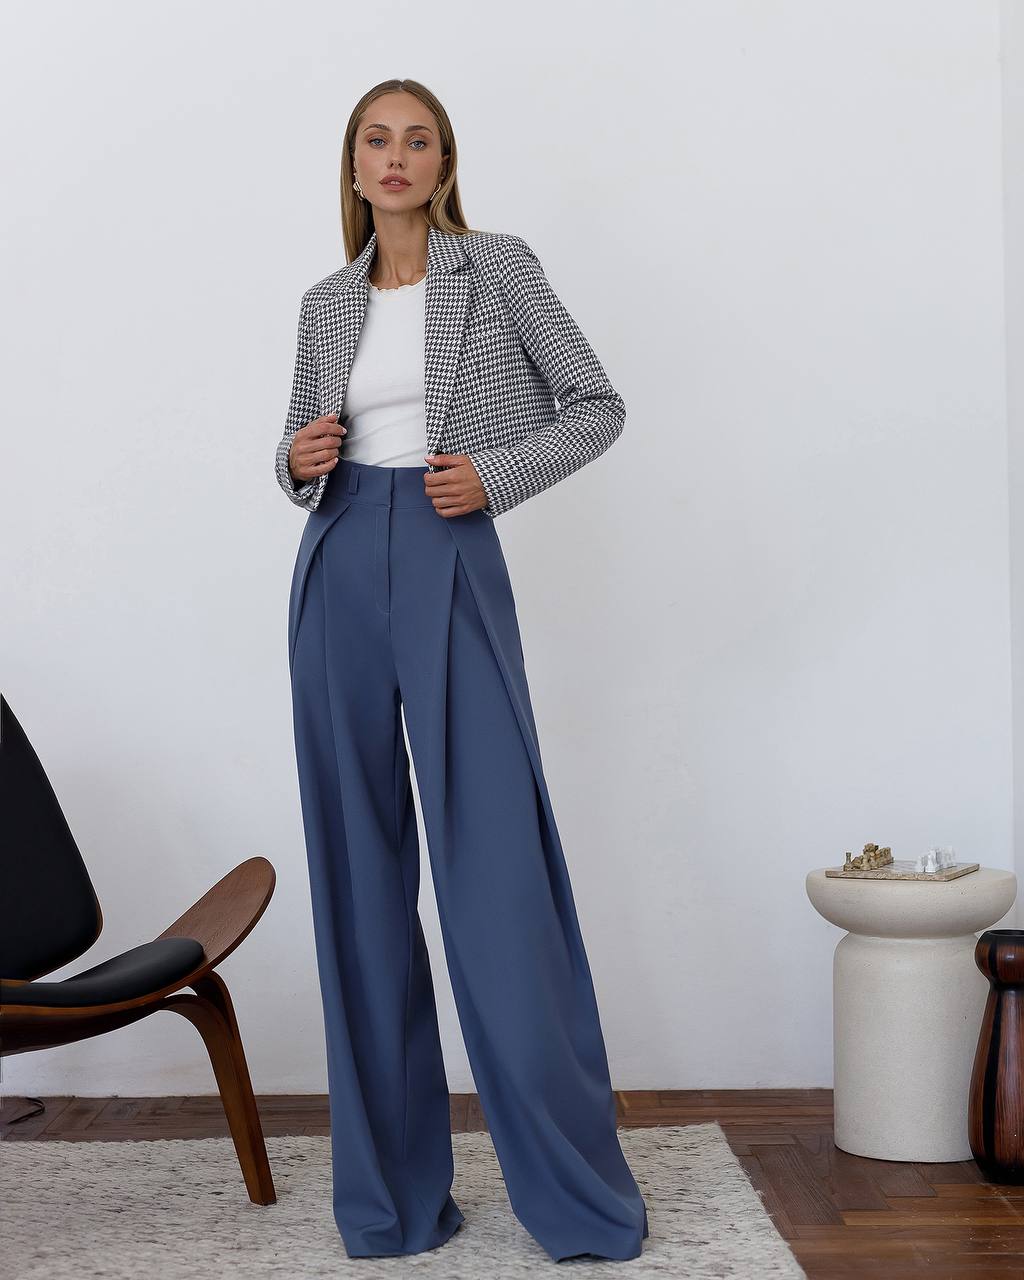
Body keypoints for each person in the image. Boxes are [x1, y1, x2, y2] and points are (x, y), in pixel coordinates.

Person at [276, 76, 649, 1263]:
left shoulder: (500, 269)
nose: (394, 158)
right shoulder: (324, 301)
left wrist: (495, 474)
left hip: (449, 555)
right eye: (375, 141)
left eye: (416, 140)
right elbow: (293, 445)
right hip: (335, 560)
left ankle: (578, 1200)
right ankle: (391, 1206)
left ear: (443, 164)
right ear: (351, 165)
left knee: (496, 880)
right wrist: (292, 456)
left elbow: (595, 406)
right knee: (357, 884)